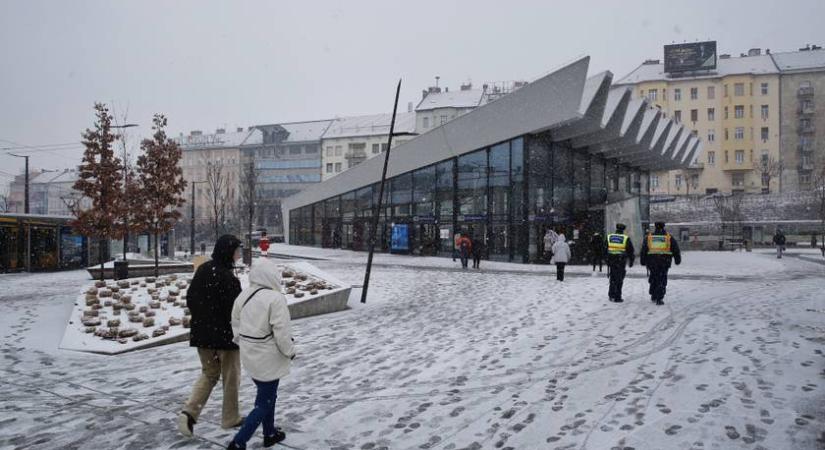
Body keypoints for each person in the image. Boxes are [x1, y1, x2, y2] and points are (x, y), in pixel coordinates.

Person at [179, 235, 245, 437]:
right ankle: (230, 418)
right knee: (231, 378)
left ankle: (189, 413)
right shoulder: (229, 278)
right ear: (229, 252)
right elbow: (236, 312)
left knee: (209, 374)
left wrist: (204, 320)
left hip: (202, 335)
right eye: (237, 250)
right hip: (226, 338)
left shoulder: (203, 270)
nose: (239, 254)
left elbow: (191, 299)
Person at [227, 258, 295, 449]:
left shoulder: (244, 296)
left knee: (267, 395)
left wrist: (245, 342)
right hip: (269, 358)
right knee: (264, 402)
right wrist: (291, 352)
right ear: (272, 275)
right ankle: (239, 442)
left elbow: (235, 323)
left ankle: (269, 433)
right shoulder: (275, 298)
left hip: (250, 356)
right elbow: (282, 334)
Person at [640, 222, 681, 306]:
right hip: (664, 262)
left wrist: (643, 260)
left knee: (654, 277)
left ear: (655, 227)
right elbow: (675, 249)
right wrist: (677, 259)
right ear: (663, 227)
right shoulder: (668, 237)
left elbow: (644, 249)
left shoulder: (649, 237)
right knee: (662, 279)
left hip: (652, 262)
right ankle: (659, 297)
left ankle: (653, 294)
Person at [605, 223, 634, 303]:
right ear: (623, 230)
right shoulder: (625, 238)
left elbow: (605, 249)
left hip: (611, 260)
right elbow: (630, 251)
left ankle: (611, 295)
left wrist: (606, 259)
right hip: (621, 261)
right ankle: (617, 296)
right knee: (619, 279)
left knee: (613, 278)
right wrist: (631, 261)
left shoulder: (610, 237)